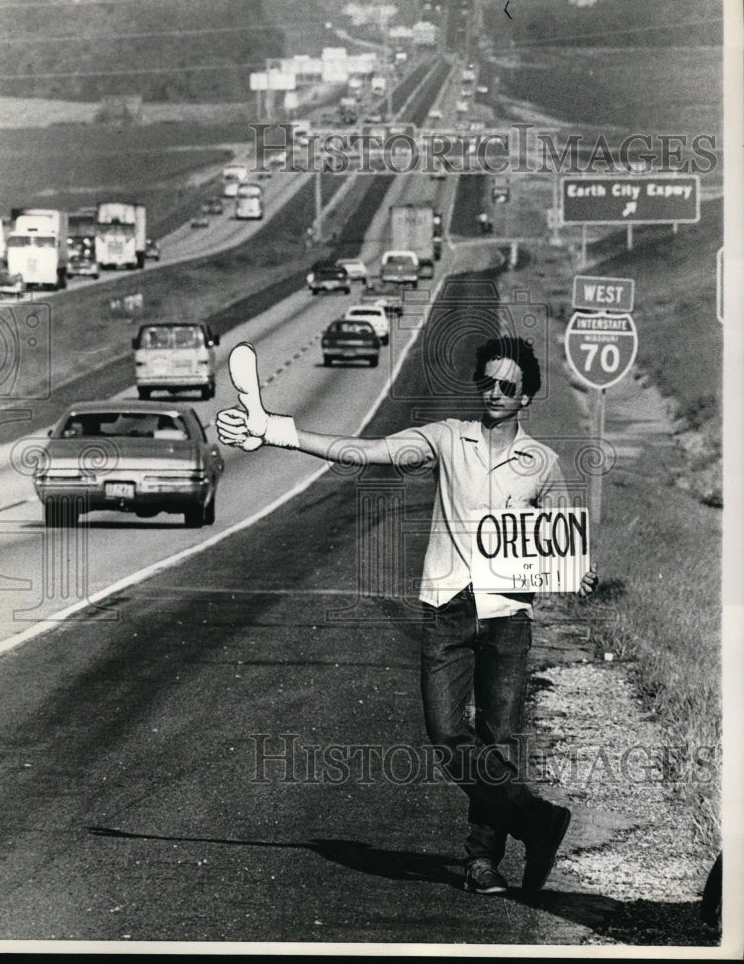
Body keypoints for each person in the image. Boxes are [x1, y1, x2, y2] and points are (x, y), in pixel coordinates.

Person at [216, 335, 598, 896]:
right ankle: (539, 822)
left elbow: (564, 543)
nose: (493, 392)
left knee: (497, 740)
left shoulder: (542, 464)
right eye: (486, 382)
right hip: (448, 605)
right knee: (447, 735)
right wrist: (277, 431)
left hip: (508, 616)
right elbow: (364, 451)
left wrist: (580, 572)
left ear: (527, 399)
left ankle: (481, 862)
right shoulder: (447, 439)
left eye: (506, 386)